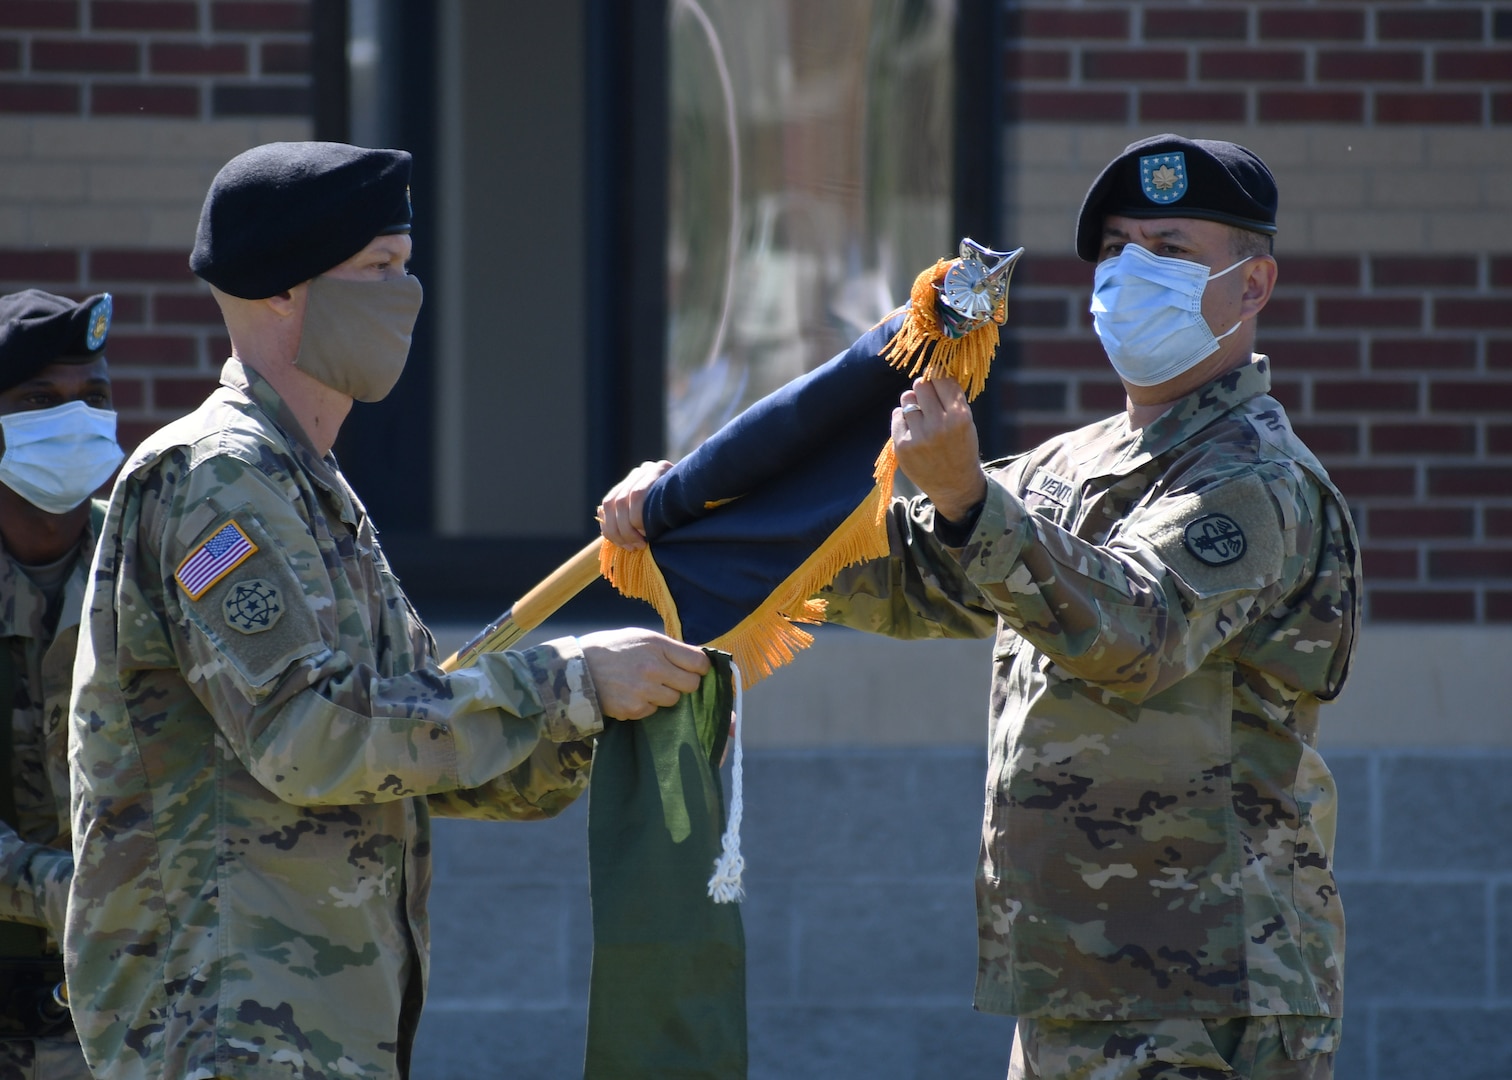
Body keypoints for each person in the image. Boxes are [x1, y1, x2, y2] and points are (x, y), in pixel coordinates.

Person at [601, 134, 1360, 1079]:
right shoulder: (1072, 464)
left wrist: (969, 500)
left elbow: (1137, 633)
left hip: (1209, 984)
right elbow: (908, 570)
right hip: (1072, 971)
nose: (1133, 274)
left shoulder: (1255, 478)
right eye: (1117, 249)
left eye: (1170, 251)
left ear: (1253, 287)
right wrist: (701, 516)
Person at [66, 142, 710, 1080]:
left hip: (313, 1028)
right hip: (221, 1027)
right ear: (285, 287)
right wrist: (568, 680)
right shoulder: (217, 481)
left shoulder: (307, 485)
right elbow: (312, 735)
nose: (406, 295)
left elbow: (411, 749)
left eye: (404, 266)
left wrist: (606, 707)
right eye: (379, 269)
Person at [0, 290, 118, 1080]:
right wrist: (80, 892)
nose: (75, 422)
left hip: (124, 1011)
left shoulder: (155, 560)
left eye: (94, 398)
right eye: (42, 401)